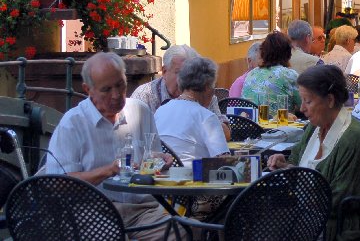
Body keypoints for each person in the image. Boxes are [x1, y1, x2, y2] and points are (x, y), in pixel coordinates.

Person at [46, 53, 173, 241]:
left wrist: (158, 161)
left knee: (185, 230)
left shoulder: (140, 111)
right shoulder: (72, 124)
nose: (116, 95)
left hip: (142, 211)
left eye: (120, 85)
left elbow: (151, 161)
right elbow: (57, 184)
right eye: (106, 89)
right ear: (88, 90)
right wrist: (109, 170)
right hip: (92, 212)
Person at [267, 65, 360, 240]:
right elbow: (297, 161)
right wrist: (284, 164)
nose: (302, 108)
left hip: (346, 227)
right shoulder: (314, 127)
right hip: (313, 217)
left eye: (308, 101)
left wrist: (292, 193)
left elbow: (340, 200)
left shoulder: (354, 138)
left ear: (330, 100)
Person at [132, 44, 230, 140]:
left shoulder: (203, 94)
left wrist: (202, 117)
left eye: (191, 74)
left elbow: (225, 134)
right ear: (164, 71)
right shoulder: (144, 96)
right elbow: (133, 137)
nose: (186, 79)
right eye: (179, 72)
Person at [155, 57, 229, 164]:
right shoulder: (206, 117)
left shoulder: (161, 111)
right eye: (214, 86)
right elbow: (224, 163)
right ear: (207, 87)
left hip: (161, 172)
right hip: (193, 173)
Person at [242, 31, 301, 110]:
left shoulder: (251, 74)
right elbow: (304, 104)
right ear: (288, 53)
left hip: (249, 117)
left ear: (263, 52)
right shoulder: (289, 75)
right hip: (279, 117)